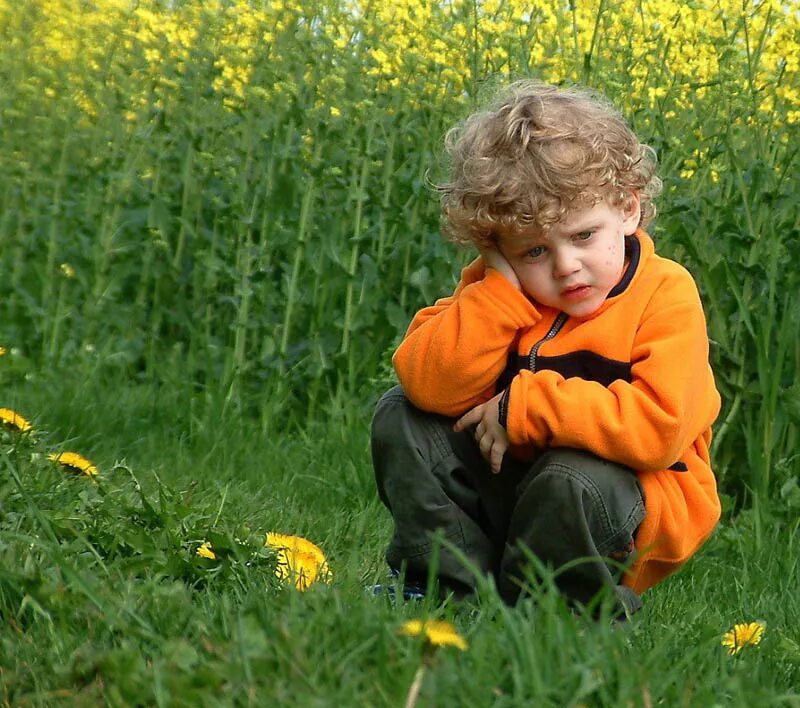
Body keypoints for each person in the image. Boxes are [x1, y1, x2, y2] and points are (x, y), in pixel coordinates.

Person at [370, 80, 722, 616]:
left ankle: (563, 612)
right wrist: (498, 295)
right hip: (515, 482)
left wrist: (525, 408)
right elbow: (427, 384)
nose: (564, 266)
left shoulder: (664, 293)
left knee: (571, 476)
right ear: (497, 249)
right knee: (400, 415)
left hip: (618, 502)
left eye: (583, 235)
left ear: (628, 209)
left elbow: (660, 428)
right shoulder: (501, 290)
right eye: (534, 249)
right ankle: (449, 590)